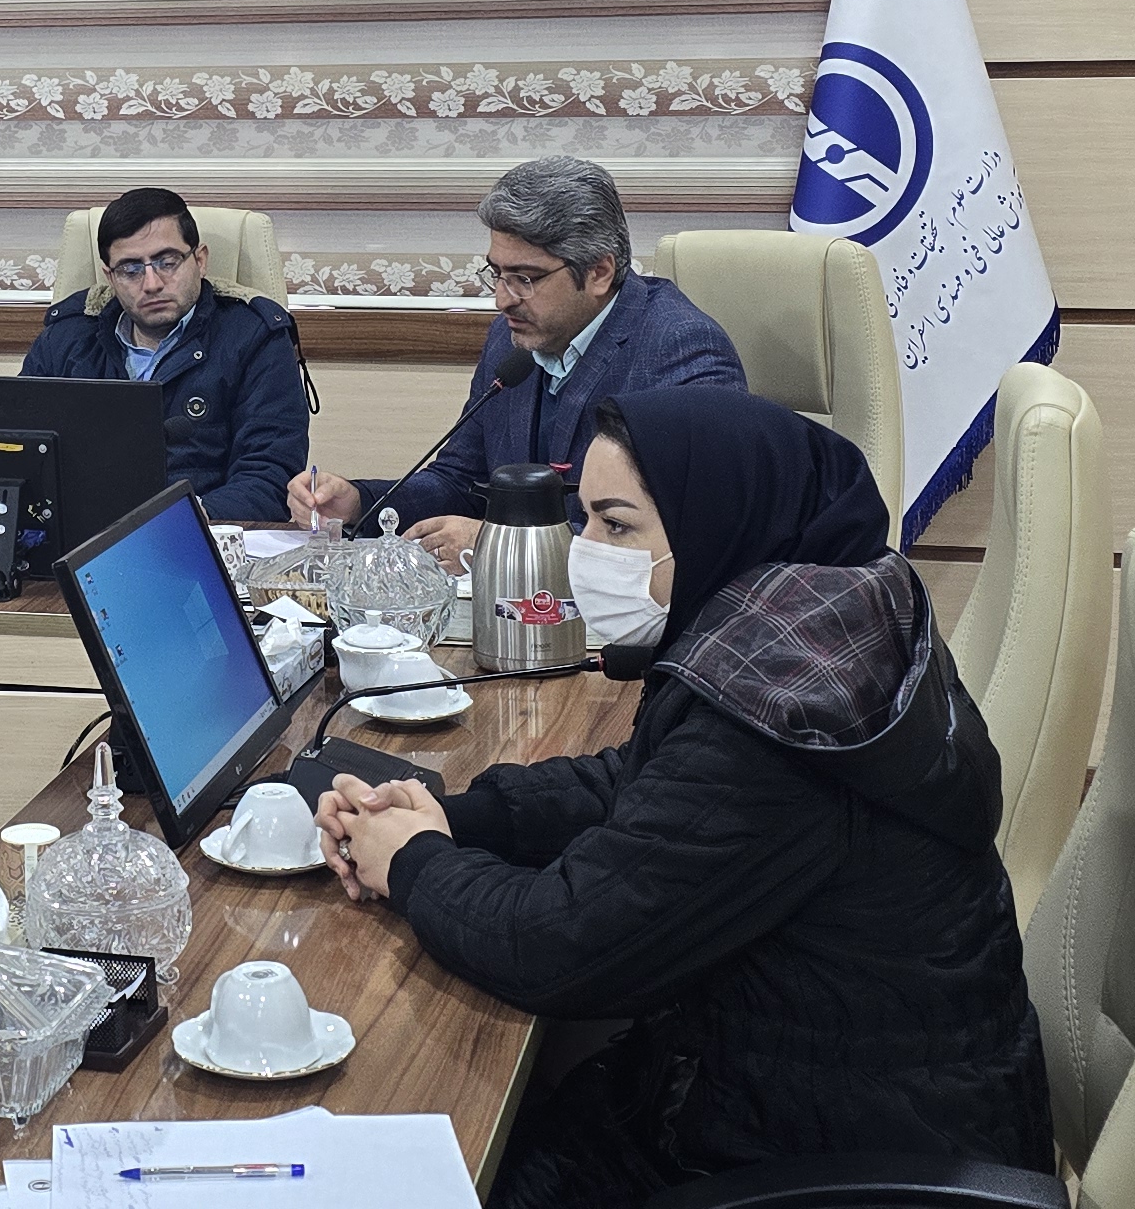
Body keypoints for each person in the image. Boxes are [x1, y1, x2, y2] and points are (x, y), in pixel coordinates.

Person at [316, 387, 1048, 1205]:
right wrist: (458, 814)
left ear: (715, 521)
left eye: (617, 525)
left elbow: (557, 946)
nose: (587, 550)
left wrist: (413, 862)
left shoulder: (779, 724)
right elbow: (643, 785)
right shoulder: (816, 624)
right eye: (585, 520)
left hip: (827, 1160)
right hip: (795, 1092)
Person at [284, 156, 743, 566]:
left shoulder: (681, 348)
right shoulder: (512, 339)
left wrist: (499, 543)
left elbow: (687, 533)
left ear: (599, 272)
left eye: (525, 278)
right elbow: (462, 481)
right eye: (497, 273)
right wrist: (360, 503)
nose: (503, 299)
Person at [18, 187, 307, 521]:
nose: (152, 283)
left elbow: (270, 476)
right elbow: (19, 453)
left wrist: (187, 519)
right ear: (110, 277)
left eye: (167, 263)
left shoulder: (255, 337)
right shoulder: (64, 339)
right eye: (130, 269)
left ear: (200, 260)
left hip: (204, 533)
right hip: (79, 534)